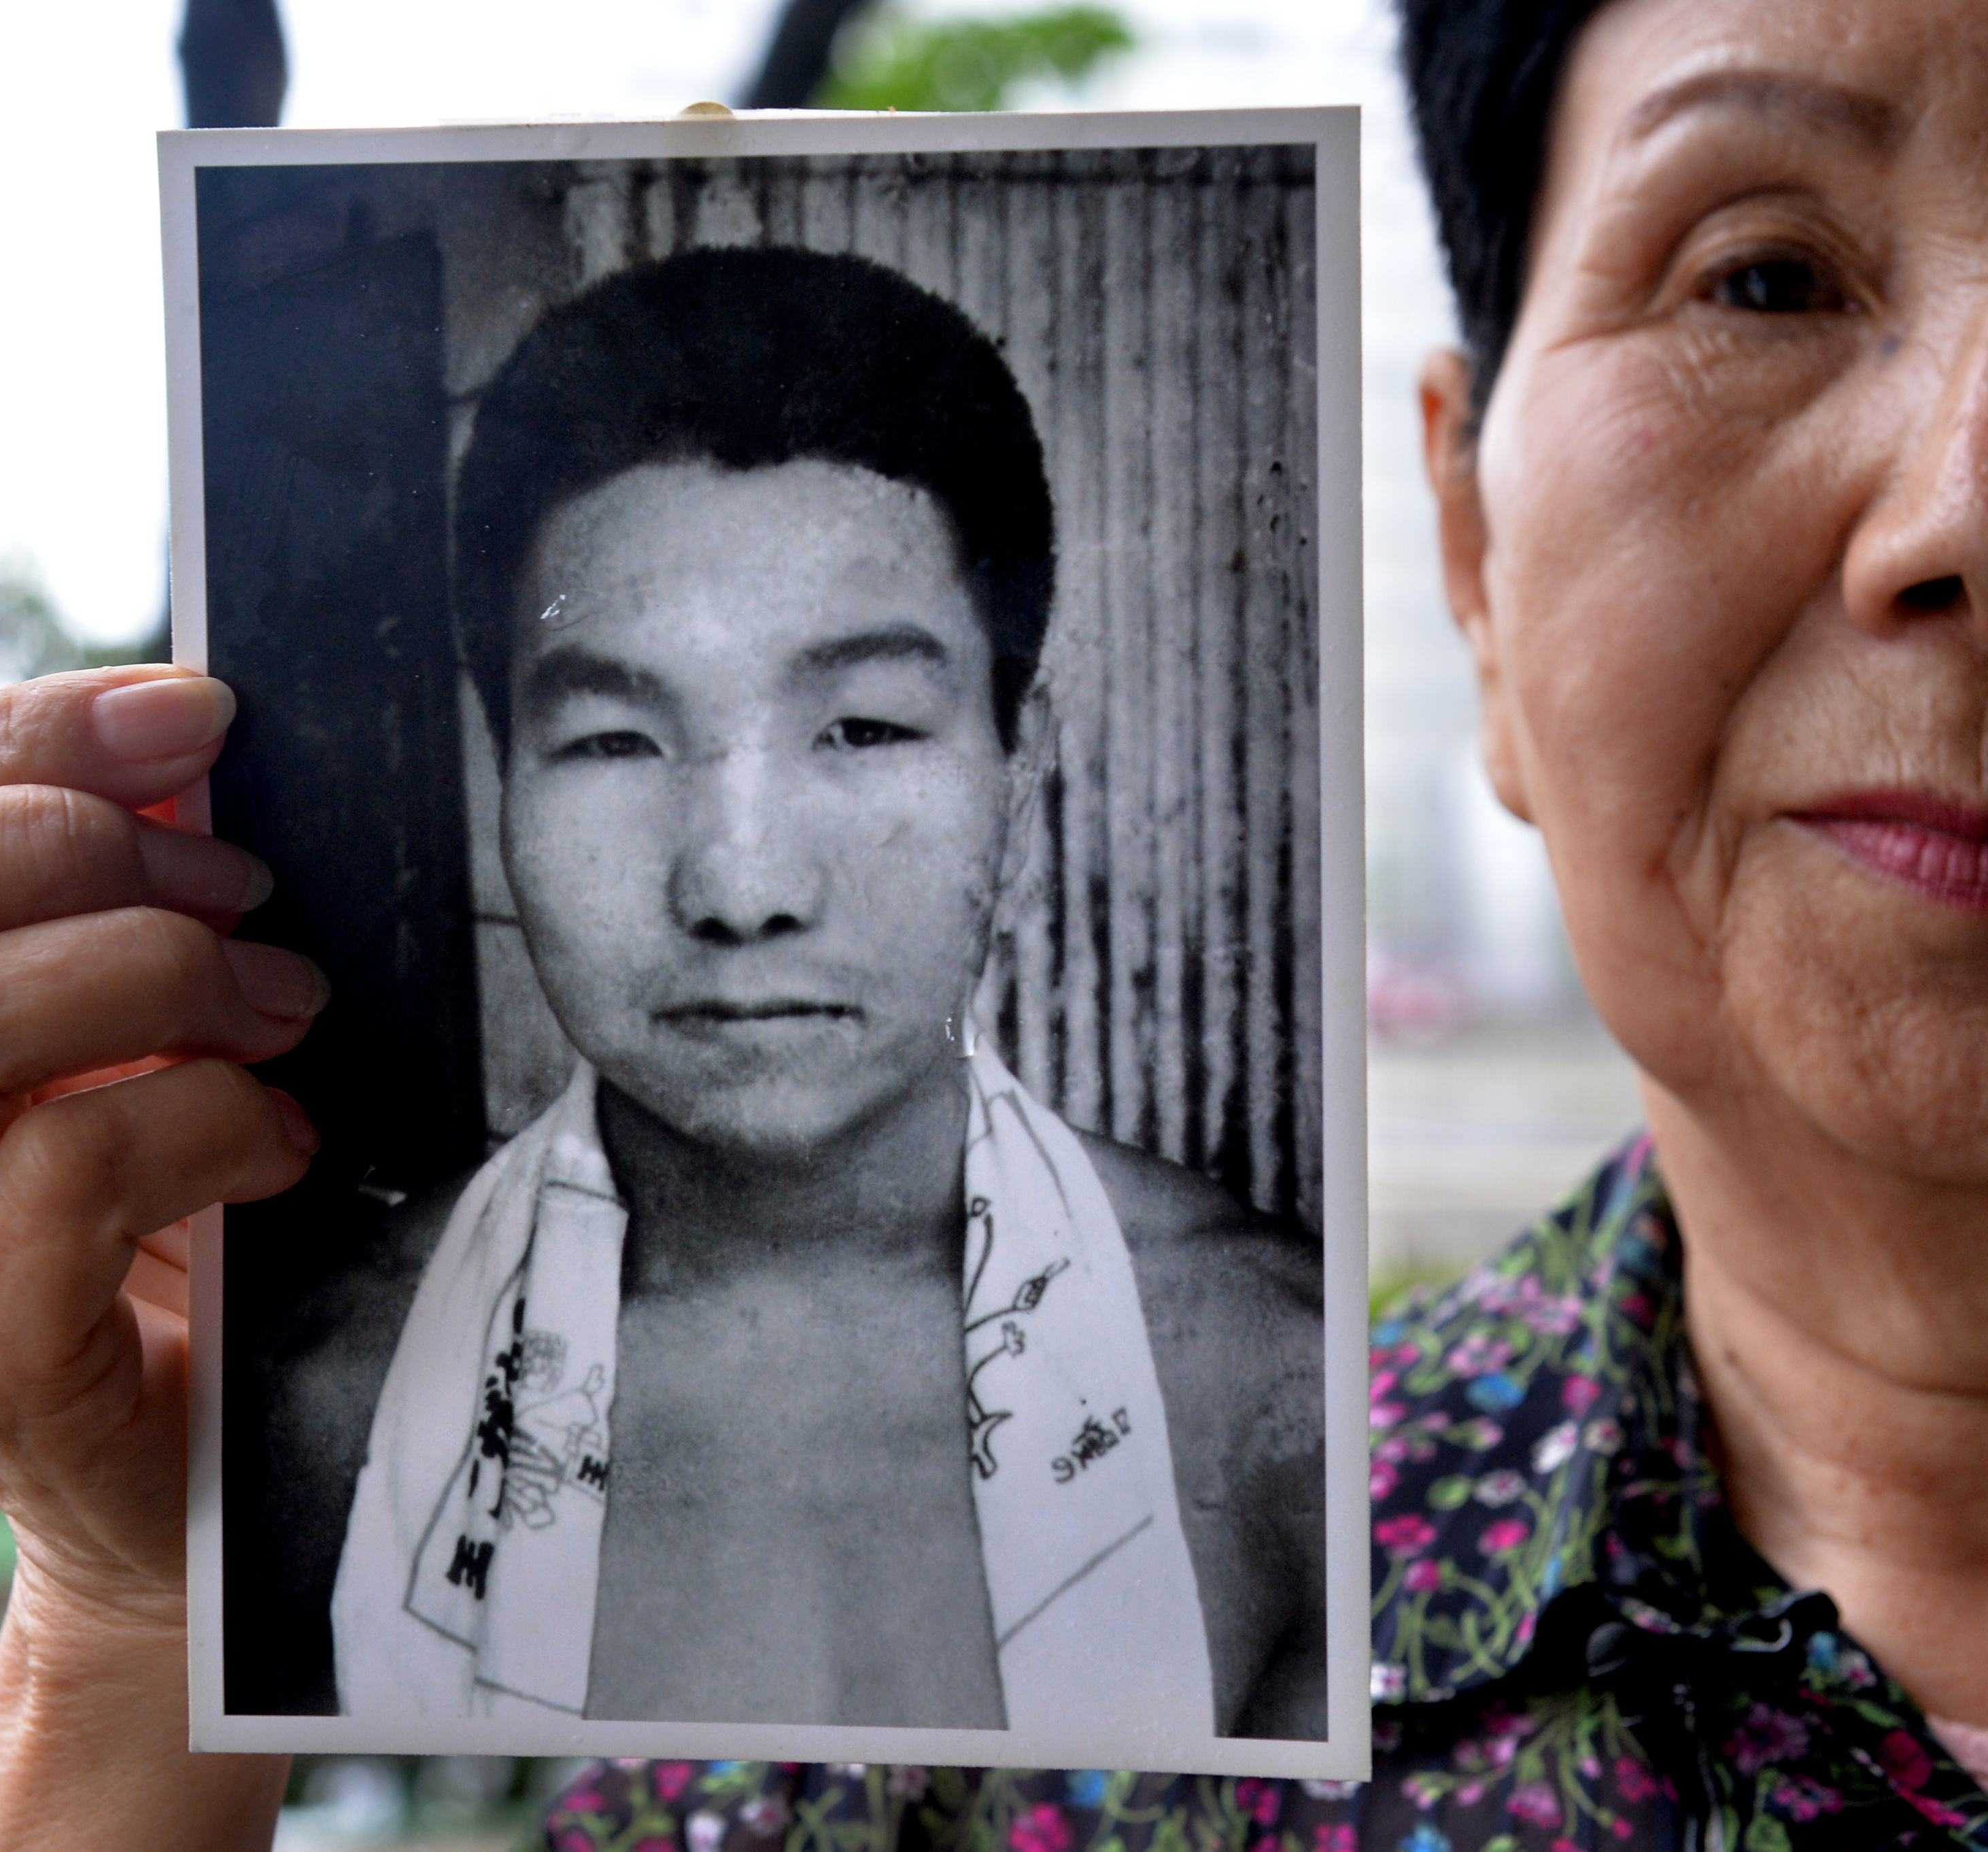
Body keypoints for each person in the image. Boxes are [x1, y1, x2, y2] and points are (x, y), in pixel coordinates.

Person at [0, 0, 1988, 1844]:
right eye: (1768, 273)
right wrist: (130, 1628)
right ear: (1467, 551)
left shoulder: (1182, 1434)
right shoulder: (868, 1760)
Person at [263, 243, 1325, 1745]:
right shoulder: (320, 1417)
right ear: (497, 769)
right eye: (618, 743)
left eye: (867, 727)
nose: (741, 886)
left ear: (1021, 766)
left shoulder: (1283, 1394)